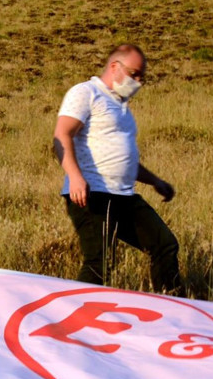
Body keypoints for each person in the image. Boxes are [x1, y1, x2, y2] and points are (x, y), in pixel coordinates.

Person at [53, 44, 183, 295]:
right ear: (115, 67)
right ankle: (72, 315)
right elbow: (62, 135)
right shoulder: (86, 93)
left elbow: (122, 158)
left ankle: (172, 310)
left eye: (141, 76)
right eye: (134, 74)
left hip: (123, 195)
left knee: (164, 245)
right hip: (92, 194)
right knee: (99, 263)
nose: (138, 81)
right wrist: (75, 177)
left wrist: (155, 181)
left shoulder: (122, 107)